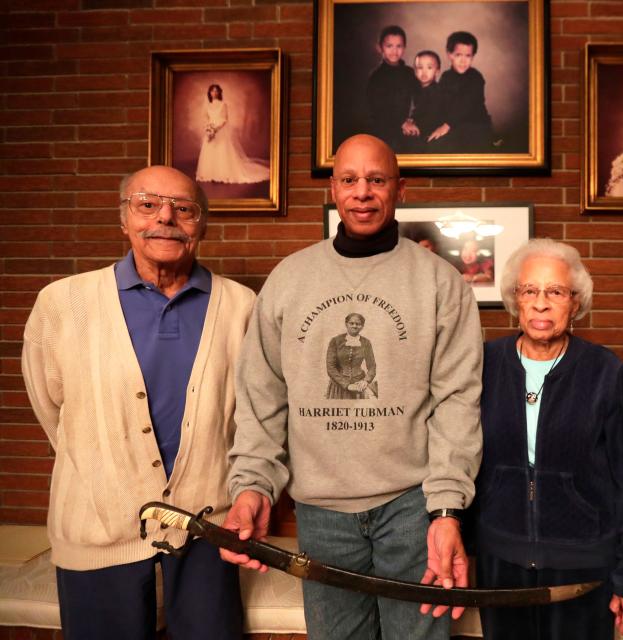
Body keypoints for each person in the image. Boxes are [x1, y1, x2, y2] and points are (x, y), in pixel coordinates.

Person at [221, 134, 483, 640]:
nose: (362, 192)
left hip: (413, 509)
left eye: (376, 179)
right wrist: (253, 486)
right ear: (334, 190)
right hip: (320, 515)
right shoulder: (289, 279)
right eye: (349, 179)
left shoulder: (439, 282)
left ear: (399, 189)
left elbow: (457, 403)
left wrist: (447, 509)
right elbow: (260, 398)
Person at [21, 165, 256, 640]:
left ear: (201, 224)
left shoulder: (241, 306)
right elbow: (51, 409)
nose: (165, 218)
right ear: (124, 218)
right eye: (147, 204)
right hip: (95, 524)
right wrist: (107, 473)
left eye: (183, 209)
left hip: (207, 528)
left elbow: (254, 418)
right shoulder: (64, 303)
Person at [473, 238, 623, 639]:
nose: (540, 303)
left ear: (576, 302)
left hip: (585, 566)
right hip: (500, 562)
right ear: (515, 299)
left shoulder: (604, 371)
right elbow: (461, 461)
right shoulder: (484, 364)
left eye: (555, 292)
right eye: (529, 291)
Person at [195, 83, 271, 184]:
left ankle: (222, 174)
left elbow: (225, 119)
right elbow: (206, 118)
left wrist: (215, 128)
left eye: (216, 91)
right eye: (212, 91)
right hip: (210, 131)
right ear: (209, 93)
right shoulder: (207, 105)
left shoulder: (223, 104)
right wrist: (209, 128)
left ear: (219, 93)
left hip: (220, 131)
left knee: (221, 151)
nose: (214, 93)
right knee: (209, 151)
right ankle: (210, 173)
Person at [431, 31, 494, 152]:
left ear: (473, 57)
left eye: (468, 56)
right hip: (452, 124)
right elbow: (439, 102)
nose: (463, 60)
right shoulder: (446, 76)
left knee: (450, 146)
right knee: (431, 143)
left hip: (475, 126)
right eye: (458, 55)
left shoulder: (476, 78)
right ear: (449, 55)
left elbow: (466, 105)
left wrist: (446, 126)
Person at [365, 25, 418, 149]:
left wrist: (411, 119)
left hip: (407, 124)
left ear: (404, 48)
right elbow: (378, 108)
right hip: (384, 127)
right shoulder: (377, 77)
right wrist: (402, 123)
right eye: (389, 46)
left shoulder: (409, 72)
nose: (394, 51)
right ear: (380, 48)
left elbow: (418, 97)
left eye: (399, 46)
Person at [401, 50, 447, 153]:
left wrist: (413, 123)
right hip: (419, 128)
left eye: (429, 68)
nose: (424, 72)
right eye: (420, 68)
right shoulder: (415, 89)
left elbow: (430, 117)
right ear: (415, 70)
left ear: (437, 71)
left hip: (431, 131)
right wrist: (409, 120)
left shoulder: (437, 92)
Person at [325, 312, 378, 399]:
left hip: (359, 385)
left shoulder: (366, 342)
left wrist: (366, 381)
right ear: (346, 324)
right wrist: (347, 385)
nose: (354, 326)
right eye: (351, 323)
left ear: (362, 326)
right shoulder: (336, 341)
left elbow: (372, 366)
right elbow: (330, 367)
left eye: (358, 324)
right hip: (339, 386)